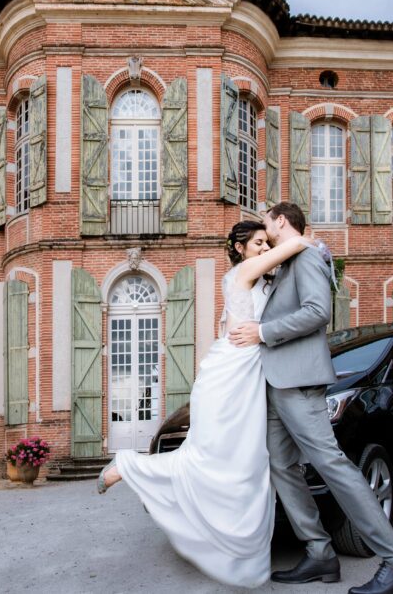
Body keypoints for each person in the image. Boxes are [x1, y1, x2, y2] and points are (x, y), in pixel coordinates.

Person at [96, 220, 315, 588]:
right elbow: (292, 248)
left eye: (267, 243)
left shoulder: (260, 280)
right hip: (229, 378)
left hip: (248, 375)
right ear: (240, 248)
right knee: (208, 458)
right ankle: (129, 465)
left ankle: (240, 552)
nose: (265, 248)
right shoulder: (244, 271)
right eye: (259, 243)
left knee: (247, 462)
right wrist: (302, 237)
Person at [229, 201, 393, 594]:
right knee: (281, 467)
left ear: (281, 221)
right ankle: (319, 551)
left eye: (267, 225)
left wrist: (262, 333)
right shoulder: (288, 261)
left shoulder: (308, 257)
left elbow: (318, 312)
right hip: (275, 383)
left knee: (332, 464)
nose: (265, 235)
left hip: (299, 381)